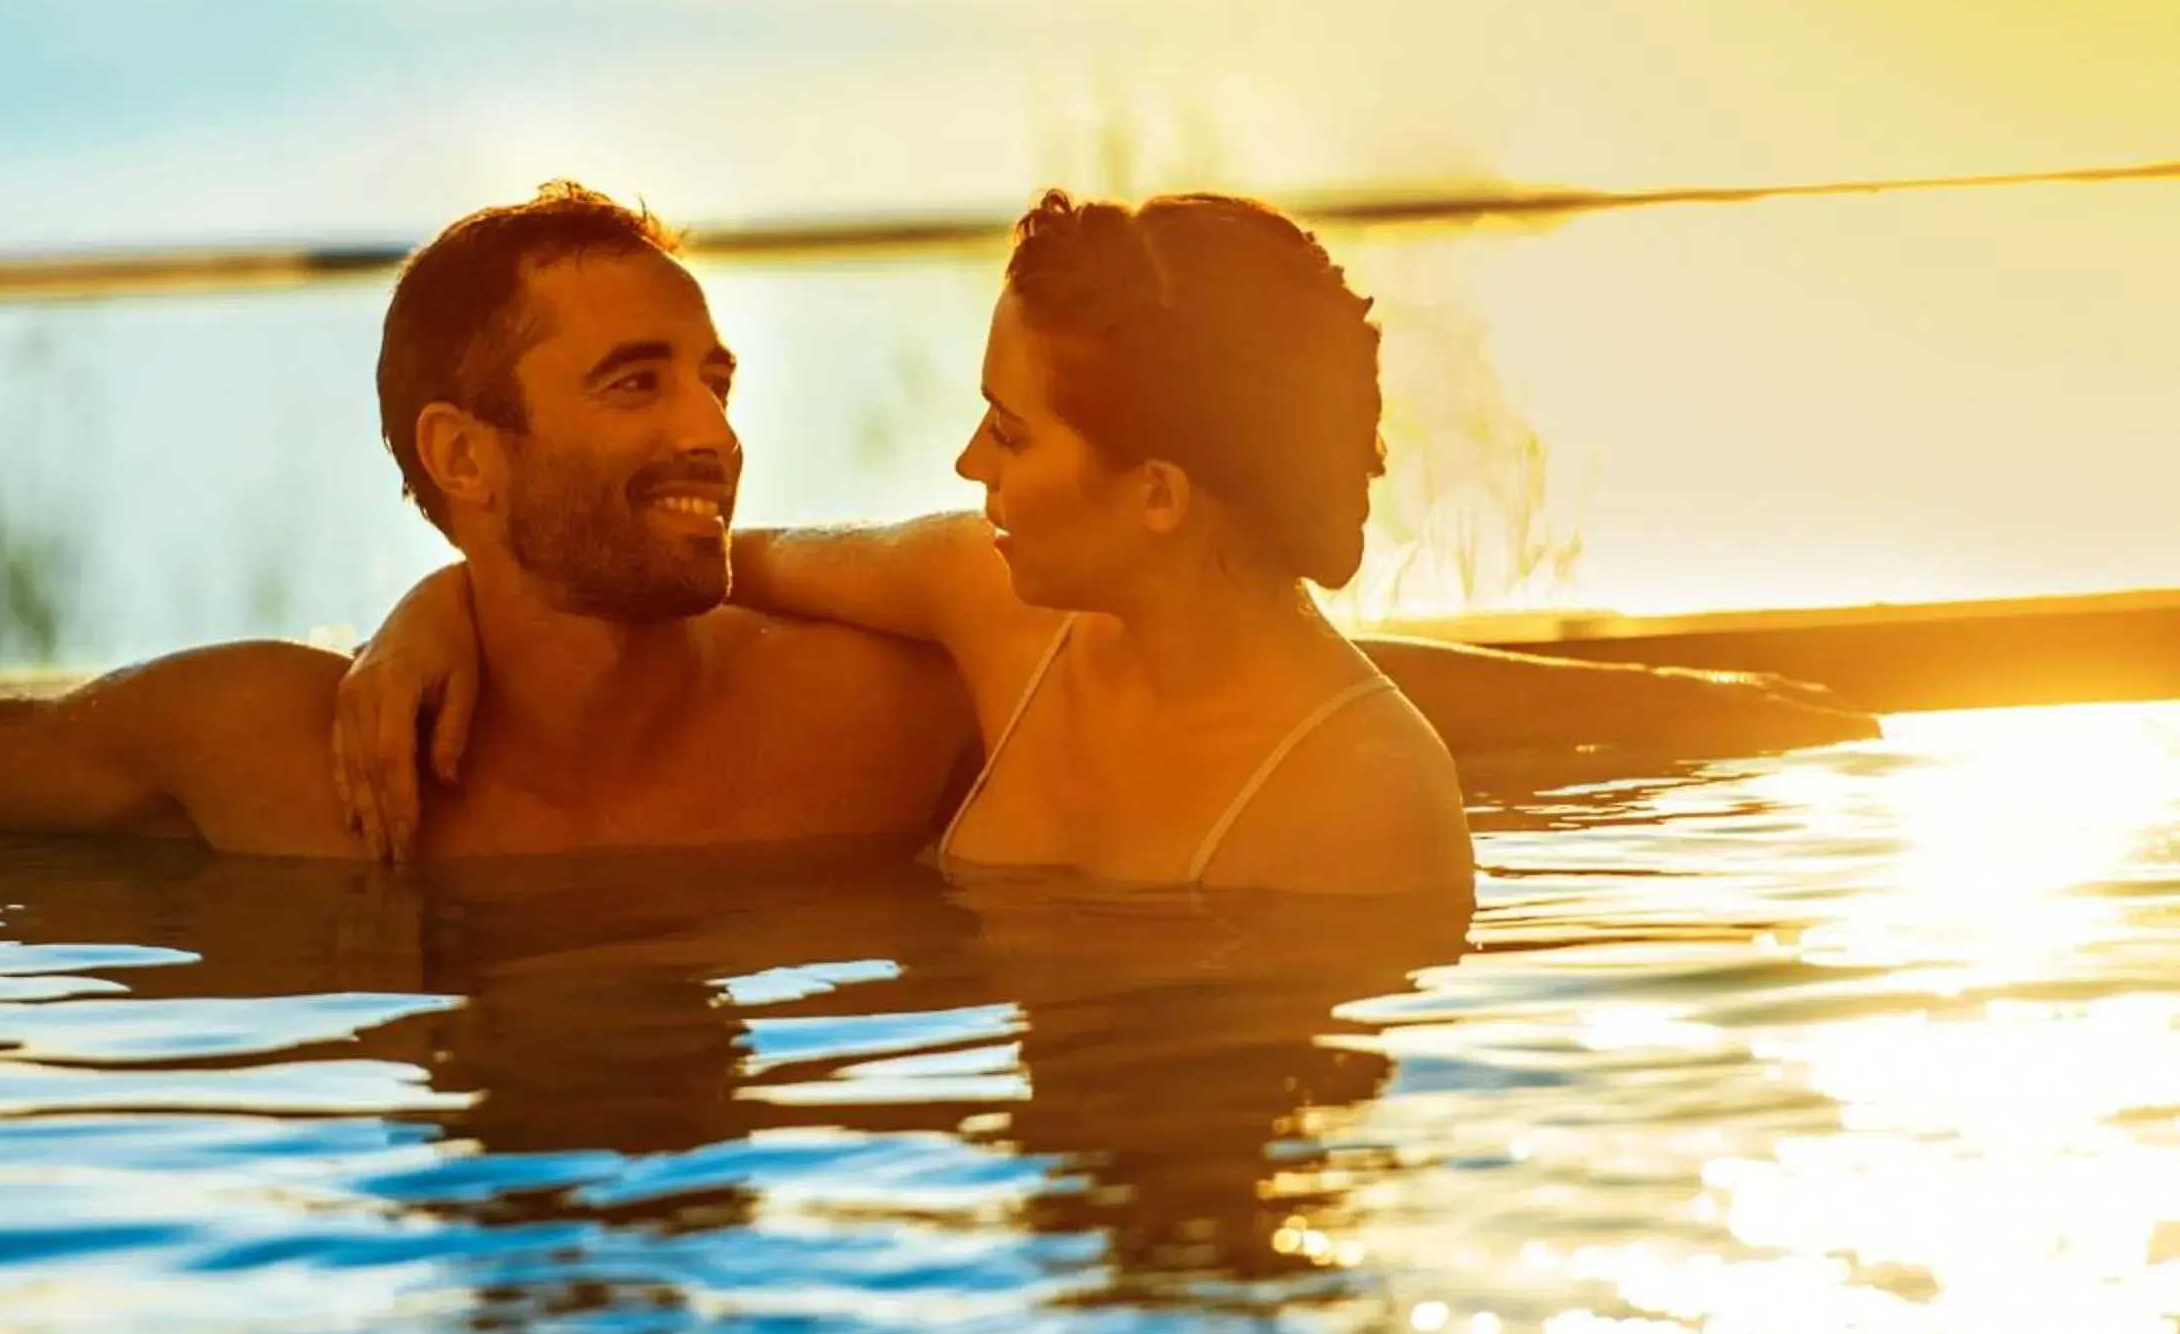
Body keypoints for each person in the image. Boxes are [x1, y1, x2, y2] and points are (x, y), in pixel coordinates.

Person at [0, 186, 1869, 868]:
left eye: (713, 369)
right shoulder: (274, 759)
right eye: (634, 383)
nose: (713, 427)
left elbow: (1327, 692)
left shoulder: (890, 696)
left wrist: (1854, 754)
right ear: (466, 468)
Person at [334, 190, 1830, 892]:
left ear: (1159, 495)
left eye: (1017, 430)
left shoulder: (1359, 817)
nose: (968, 458)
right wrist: (436, 604)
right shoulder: (983, 599)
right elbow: (676, 557)